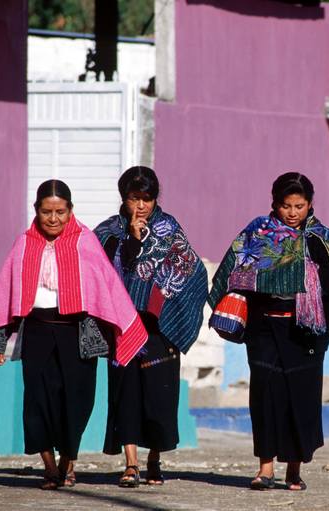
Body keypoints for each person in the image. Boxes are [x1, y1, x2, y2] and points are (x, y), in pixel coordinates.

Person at [0, 179, 148, 490]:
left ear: (71, 211)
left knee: (77, 402)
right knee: (38, 401)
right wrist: (1, 335)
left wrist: (119, 331)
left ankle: (69, 461)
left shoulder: (86, 242)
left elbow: (106, 288)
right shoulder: (24, 244)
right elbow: (7, 293)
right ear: (36, 211)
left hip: (77, 336)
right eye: (47, 212)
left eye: (61, 212)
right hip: (38, 333)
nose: (54, 219)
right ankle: (50, 468)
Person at [208, 172, 329, 491]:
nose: (292, 212)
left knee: (301, 398)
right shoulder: (257, 233)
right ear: (274, 204)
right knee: (265, 396)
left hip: (307, 332)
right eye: (286, 205)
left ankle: (294, 470)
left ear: (310, 204)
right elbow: (231, 271)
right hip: (264, 327)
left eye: (299, 205)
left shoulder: (323, 239)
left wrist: (325, 318)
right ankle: (265, 469)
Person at [94, 166, 208, 487]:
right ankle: (131, 464)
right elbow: (100, 273)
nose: (141, 205)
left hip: (160, 328)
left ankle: (154, 457)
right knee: (125, 394)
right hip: (124, 325)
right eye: (135, 198)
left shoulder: (169, 230)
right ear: (124, 198)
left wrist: (170, 307)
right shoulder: (109, 232)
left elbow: (193, 271)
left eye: (147, 198)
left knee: (159, 397)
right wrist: (131, 238)